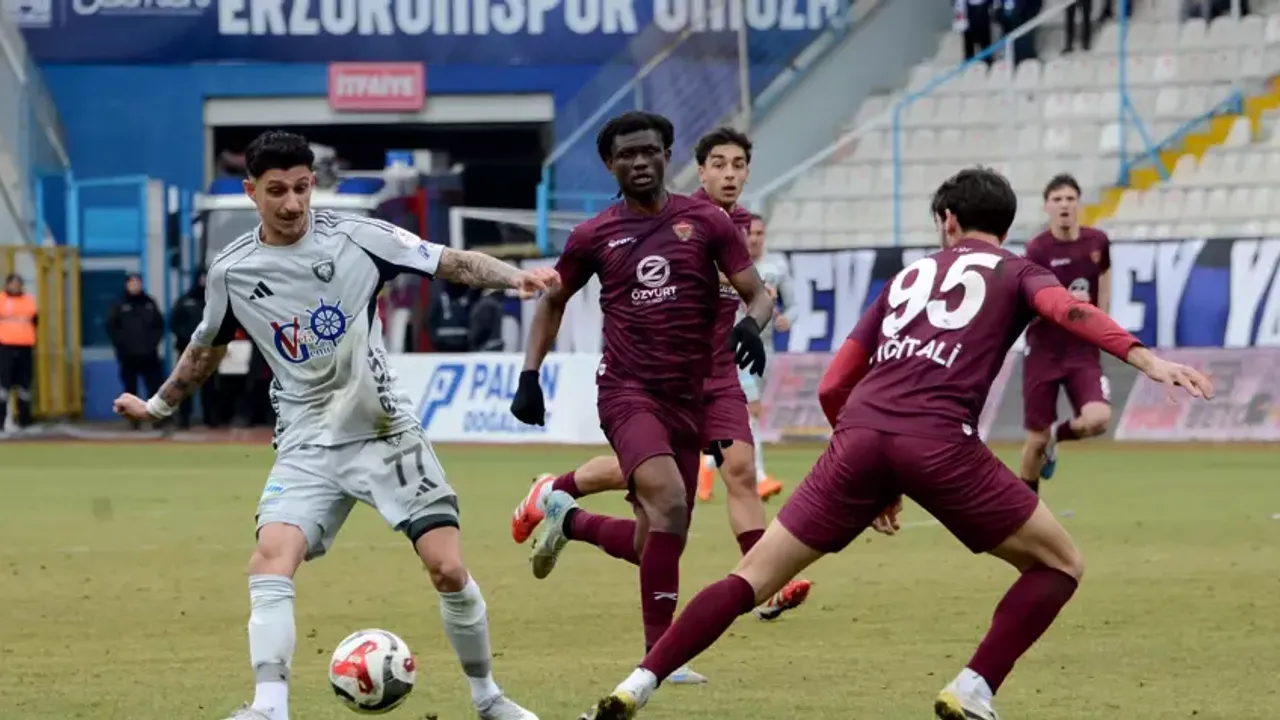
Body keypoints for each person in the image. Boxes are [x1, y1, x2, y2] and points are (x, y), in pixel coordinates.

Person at [576, 166, 1213, 720]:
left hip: (858, 435)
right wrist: (1145, 358)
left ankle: (638, 683)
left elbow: (834, 385)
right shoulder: (1020, 271)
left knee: (750, 578)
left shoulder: (908, 277)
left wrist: (867, 464)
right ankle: (973, 687)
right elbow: (1068, 311)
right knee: (1059, 565)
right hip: (939, 441)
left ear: (948, 221)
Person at [111, 130, 555, 720]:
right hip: (307, 443)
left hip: (384, 432)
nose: (292, 203)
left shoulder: (359, 238)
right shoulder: (232, 272)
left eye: (301, 188)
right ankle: (270, 707)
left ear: (312, 183)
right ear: (250, 192)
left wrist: (512, 277)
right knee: (271, 558)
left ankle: (487, 696)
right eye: (276, 191)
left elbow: (448, 261)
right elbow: (205, 350)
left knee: (448, 568)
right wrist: (158, 407)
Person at [508, 128, 811, 640]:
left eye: (739, 164)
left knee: (665, 531)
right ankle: (660, 656)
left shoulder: (717, 225)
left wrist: (751, 324)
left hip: (702, 385)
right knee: (672, 495)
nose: (730, 174)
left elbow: (756, 295)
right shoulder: (599, 234)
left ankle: (569, 518)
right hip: (629, 388)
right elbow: (554, 299)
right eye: (719, 164)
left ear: (667, 157)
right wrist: (529, 375)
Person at [1019, 174, 1112, 493]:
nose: (1064, 205)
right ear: (1046, 207)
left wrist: (1100, 318)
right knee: (1036, 439)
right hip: (1044, 351)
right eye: (1057, 199)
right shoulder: (1037, 249)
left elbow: (1104, 275)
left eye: (1070, 199)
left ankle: (1058, 436)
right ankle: (1025, 509)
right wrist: (1065, 303)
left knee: (1098, 419)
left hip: (1082, 351)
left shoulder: (1097, 242)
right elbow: (1029, 301)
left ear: (1079, 204)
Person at [703, 212, 795, 502]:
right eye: (749, 233)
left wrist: (788, 318)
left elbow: (794, 305)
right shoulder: (729, 266)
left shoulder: (776, 268)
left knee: (751, 412)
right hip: (735, 348)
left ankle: (707, 464)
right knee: (750, 411)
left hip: (765, 349)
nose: (754, 239)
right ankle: (760, 477)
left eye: (758, 234)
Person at [107, 272, 165, 428]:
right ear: (127, 285)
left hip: (149, 354)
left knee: (154, 387)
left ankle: (156, 419)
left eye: (137, 282)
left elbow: (159, 326)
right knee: (130, 389)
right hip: (128, 356)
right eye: (131, 283)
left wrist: (152, 343)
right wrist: (122, 345)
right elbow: (112, 328)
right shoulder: (119, 305)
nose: (135, 286)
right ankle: (133, 421)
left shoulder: (149, 303)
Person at [169, 270, 220, 430]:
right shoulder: (184, 301)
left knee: (209, 387)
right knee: (184, 384)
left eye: (206, 278)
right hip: (187, 351)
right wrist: (189, 340)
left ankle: (210, 418)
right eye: (201, 278)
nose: (203, 282)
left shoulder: (215, 301)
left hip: (209, 352)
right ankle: (184, 419)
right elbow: (174, 323)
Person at [0, 273, 37, 432]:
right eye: (13, 283)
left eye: (18, 284)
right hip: (5, 347)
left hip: (25, 347)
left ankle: (24, 421)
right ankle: (2, 422)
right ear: (7, 285)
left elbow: (35, 320)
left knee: (24, 386)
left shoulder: (28, 300)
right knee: (4, 385)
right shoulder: (1, 300)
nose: (16, 286)